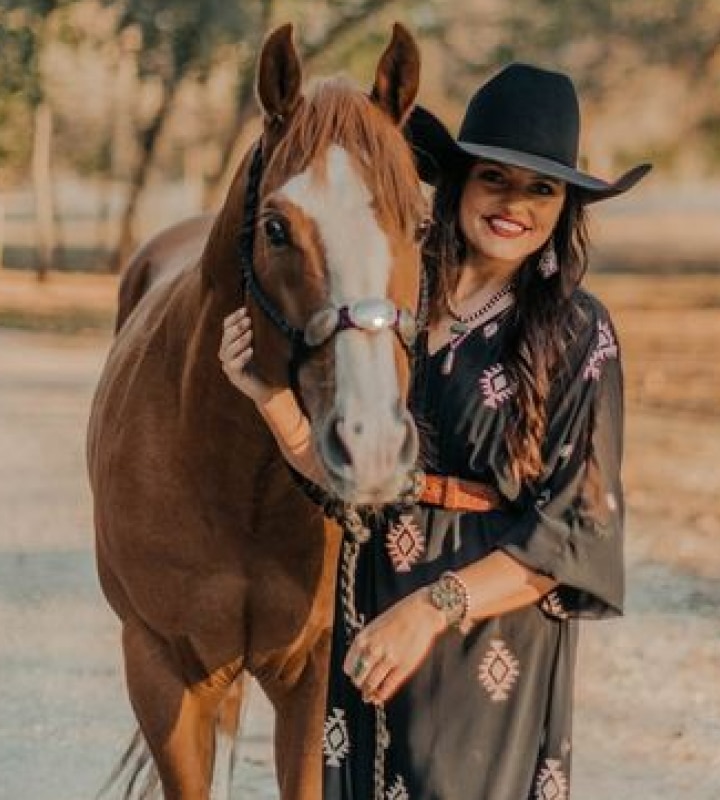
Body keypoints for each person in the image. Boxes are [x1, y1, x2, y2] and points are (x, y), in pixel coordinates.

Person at [219, 63, 650, 800]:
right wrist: (268, 397)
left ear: (565, 207)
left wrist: (431, 609)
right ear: (456, 183)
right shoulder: (394, 304)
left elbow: (574, 530)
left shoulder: (578, 332)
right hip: (372, 612)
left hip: (485, 637)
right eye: (494, 178)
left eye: (541, 189)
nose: (515, 204)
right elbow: (351, 472)